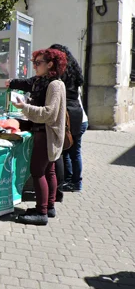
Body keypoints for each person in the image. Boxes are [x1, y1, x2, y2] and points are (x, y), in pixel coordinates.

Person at [8, 48, 67, 225]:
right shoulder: (43, 82)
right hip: (44, 133)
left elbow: (49, 113)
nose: (35, 66)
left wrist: (24, 107)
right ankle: (49, 207)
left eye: (38, 63)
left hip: (46, 134)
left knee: (38, 171)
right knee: (49, 170)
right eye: (34, 62)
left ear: (50, 64)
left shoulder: (55, 85)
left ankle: (41, 212)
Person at [50, 44, 88, 192]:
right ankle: (70, 180)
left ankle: (75, 183)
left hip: (73, 119)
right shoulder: (74, 75)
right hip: (80, 118)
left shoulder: (63, 79)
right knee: (69, 151)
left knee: (71, 152)